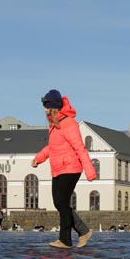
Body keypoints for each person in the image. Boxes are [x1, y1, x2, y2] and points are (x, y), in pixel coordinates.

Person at [32, 89, 97, 249]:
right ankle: (83, 231)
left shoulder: (69, 124)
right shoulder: (55, 125)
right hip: (59, 169)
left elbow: (80, 148)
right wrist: (38, 158)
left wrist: (90, 171)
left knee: (61, 202)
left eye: (47, 106)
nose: (45, 110)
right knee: (59, 203)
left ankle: (65, 240)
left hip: (70, 168)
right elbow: (52, 147)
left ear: (54, 107)